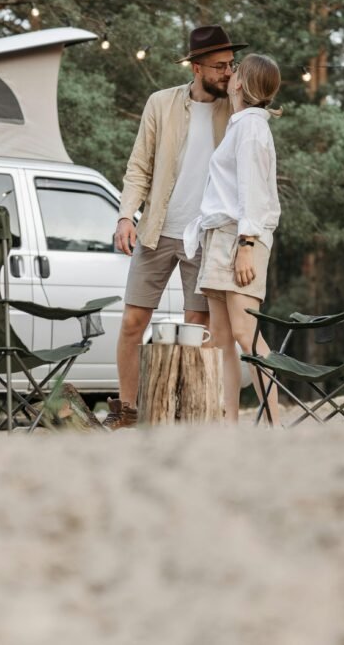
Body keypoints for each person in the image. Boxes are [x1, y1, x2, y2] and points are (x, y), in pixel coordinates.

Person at [105, 25, 247, 429]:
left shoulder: (236, 110)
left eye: (231, 65)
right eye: (219, 66)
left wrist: (238, 101)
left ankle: (186, 414)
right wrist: (124, 215)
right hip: (157, 229)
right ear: (197, 67)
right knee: (133, 321)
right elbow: (139, 166)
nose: (227, 72)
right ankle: (129, 411)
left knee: (195, 330)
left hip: (206, 237)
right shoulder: (161, 103)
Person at [182, 53, 283, 426]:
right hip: (218, 236)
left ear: (240, 83)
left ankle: (275, 422)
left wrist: (246, 246)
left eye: (234, 71)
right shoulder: (240, 124)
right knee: (221, 337)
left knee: (246, 334)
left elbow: (252, 192)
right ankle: (228, 423)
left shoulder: (253, 129)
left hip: (240, 239)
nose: (229, 73)